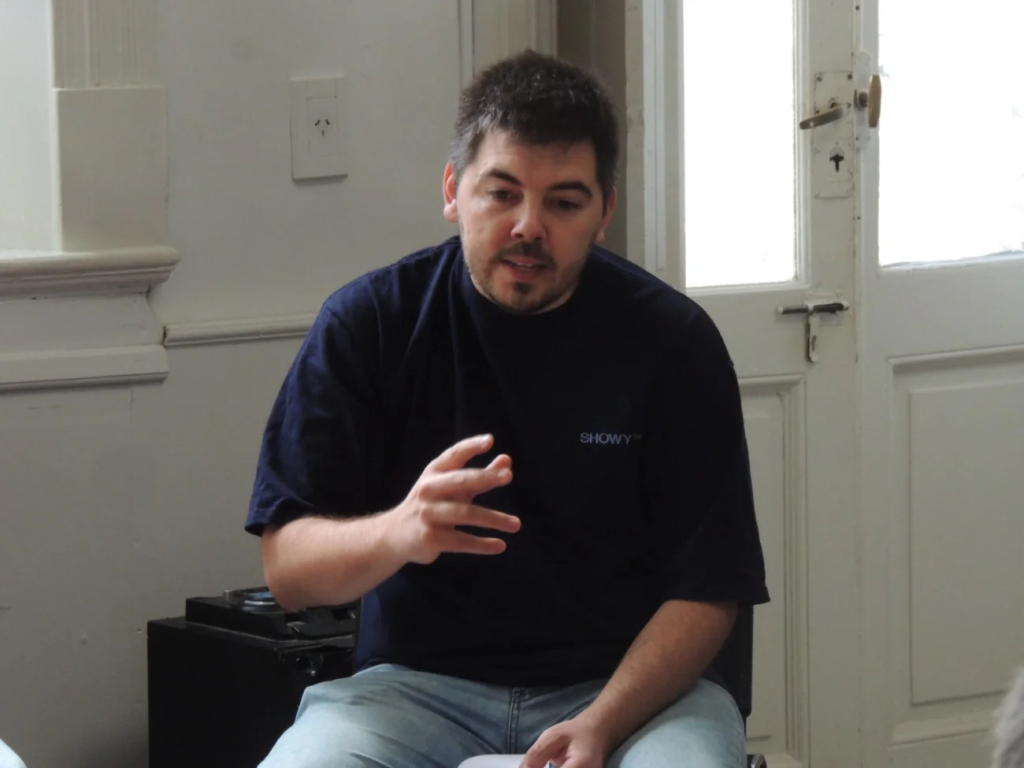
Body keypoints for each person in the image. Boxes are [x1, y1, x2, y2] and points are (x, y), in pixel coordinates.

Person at [246, 50, 769, 768]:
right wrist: (401, 530)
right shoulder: (369, 324)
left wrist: (601, 725)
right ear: (453, 191)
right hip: (411, 691)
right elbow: (288, 569)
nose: (528, 226)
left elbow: (710, 592)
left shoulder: (674, 343)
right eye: (502, 193)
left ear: (604, 213)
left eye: (564, 202)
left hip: (631, 694)